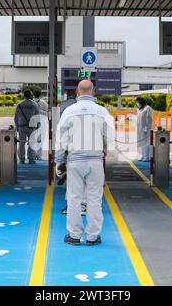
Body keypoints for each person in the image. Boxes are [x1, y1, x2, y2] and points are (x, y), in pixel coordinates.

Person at [55, 80, 114, 246]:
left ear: (77, 92)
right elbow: (109, 135)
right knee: (95, 198)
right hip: (95, 160)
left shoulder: (68, 111)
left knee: (74, 198)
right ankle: (92, 237)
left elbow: (61, 138)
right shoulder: (102, 111)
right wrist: (104, 149)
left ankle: (74, 236)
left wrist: (60, 160)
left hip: (74, 160)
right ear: (93, 92)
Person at [15, 90, 40, 164]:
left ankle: (21, 159)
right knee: (31, 143)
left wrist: (17, 125)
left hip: (21, 127)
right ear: (29, 95)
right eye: (32, 94)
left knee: (21, 144)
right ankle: (31, 159)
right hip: (32, 127)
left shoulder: (19, 104)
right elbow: (37, 116)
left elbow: (16, 116)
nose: (32, 96)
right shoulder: (34, 104)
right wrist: (38, 125)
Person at [136, 97, 153, 162]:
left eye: (138, 102)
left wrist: (146, 128)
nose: (137, 104)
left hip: (146, 129)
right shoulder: (140, 109)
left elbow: (149, 119)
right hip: (140, 129)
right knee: (142, 142)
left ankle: (147, 157)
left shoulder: (148, 108)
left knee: (146, 143)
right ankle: (143, 155)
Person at [33, 90, 48, 160]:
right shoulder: (44, 103)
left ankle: (34, 154)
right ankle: (38, 155)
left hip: (33, 123)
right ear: (40, 95)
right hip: (41, 123)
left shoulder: (32, 102)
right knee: (40, 140)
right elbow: (47, 113)